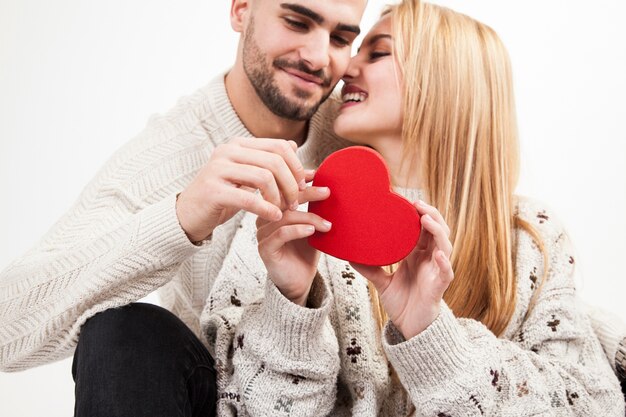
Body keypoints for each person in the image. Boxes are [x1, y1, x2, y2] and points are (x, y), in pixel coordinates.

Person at [209, 1, 626, 415]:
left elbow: (593, 407)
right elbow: (239, 407)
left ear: (444, 79)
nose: (347, 67)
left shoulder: (530, 235)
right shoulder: (292, 208)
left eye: (378, 52)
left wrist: (430, 333)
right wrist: (291, 300)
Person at [0, 0, 367, 415]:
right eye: (297, 22)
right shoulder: (170, 152)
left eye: (340, 38)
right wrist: (181, 219)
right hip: (216, 398)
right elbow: (6, 326)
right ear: (241, 10)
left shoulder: (365, 127)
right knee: (124, 331)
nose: (318, 57)